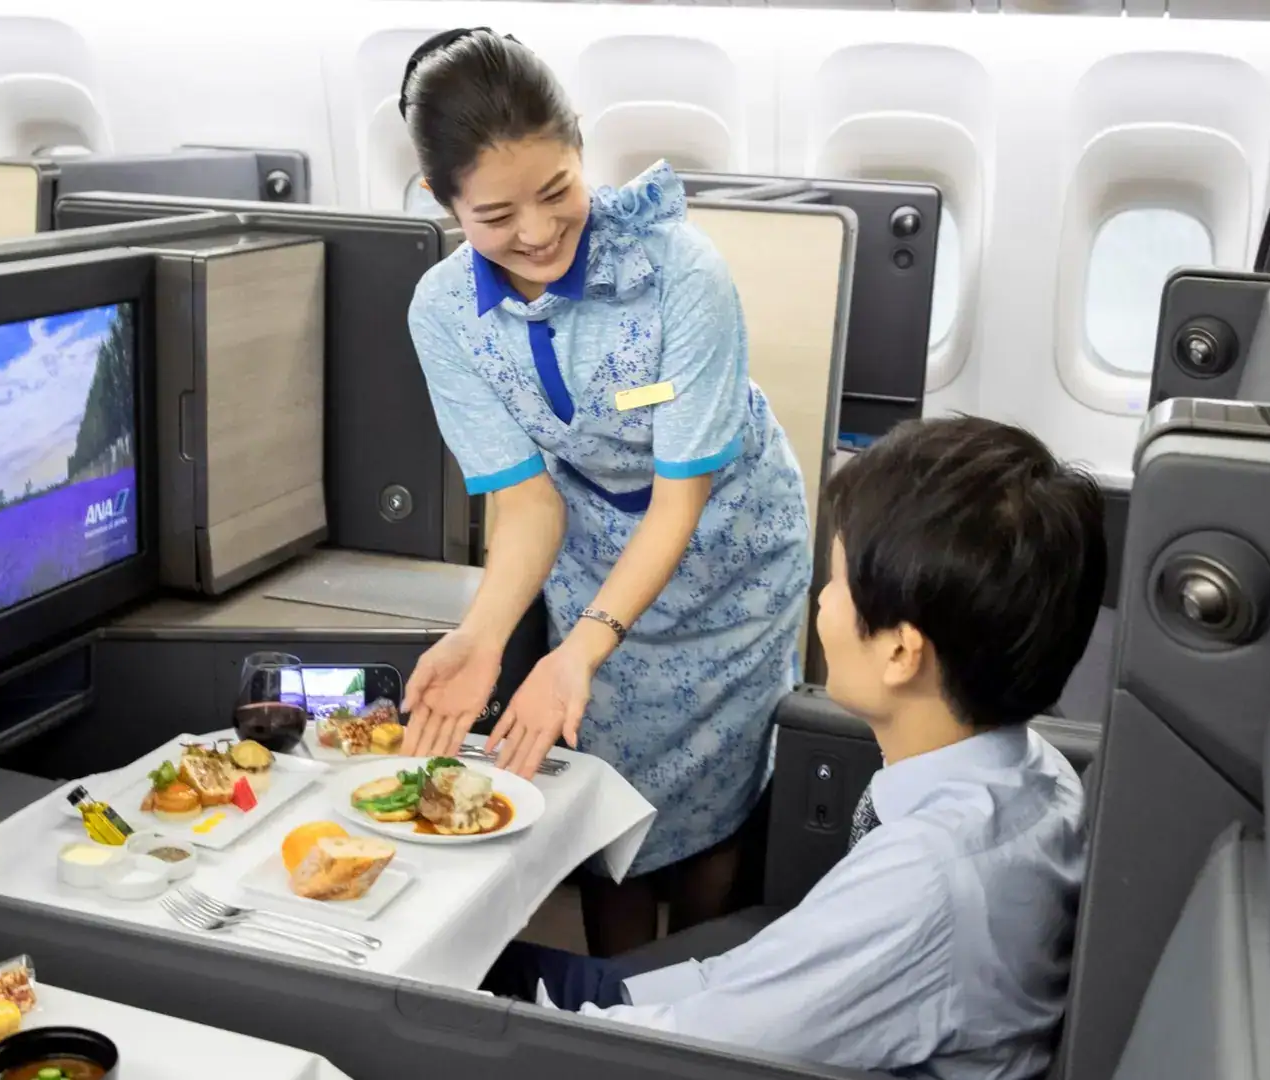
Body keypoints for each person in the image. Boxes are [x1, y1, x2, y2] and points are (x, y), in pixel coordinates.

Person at [482, 416, 1107, 1080]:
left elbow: (685, 1051)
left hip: (694, 1051)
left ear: (900, 651)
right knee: (491, 969)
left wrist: (548, 1024)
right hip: (746, 1007)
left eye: (836, 583)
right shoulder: (1040, 778)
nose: (821, 602)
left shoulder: (925, 880)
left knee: (427, 994)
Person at [394, 26, 814, 954]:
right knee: (604, 799)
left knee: (714, 805)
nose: (537, 233)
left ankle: (698, 986)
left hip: (731, 558)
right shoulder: (444, 315)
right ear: (441, 200)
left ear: (581, 148)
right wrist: (484, 635)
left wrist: (580, 650)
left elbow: (681, 501)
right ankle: (617, 999)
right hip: (585, 552)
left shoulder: (681, 275)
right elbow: (529, 500)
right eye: (497, 216)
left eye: (556, 191)